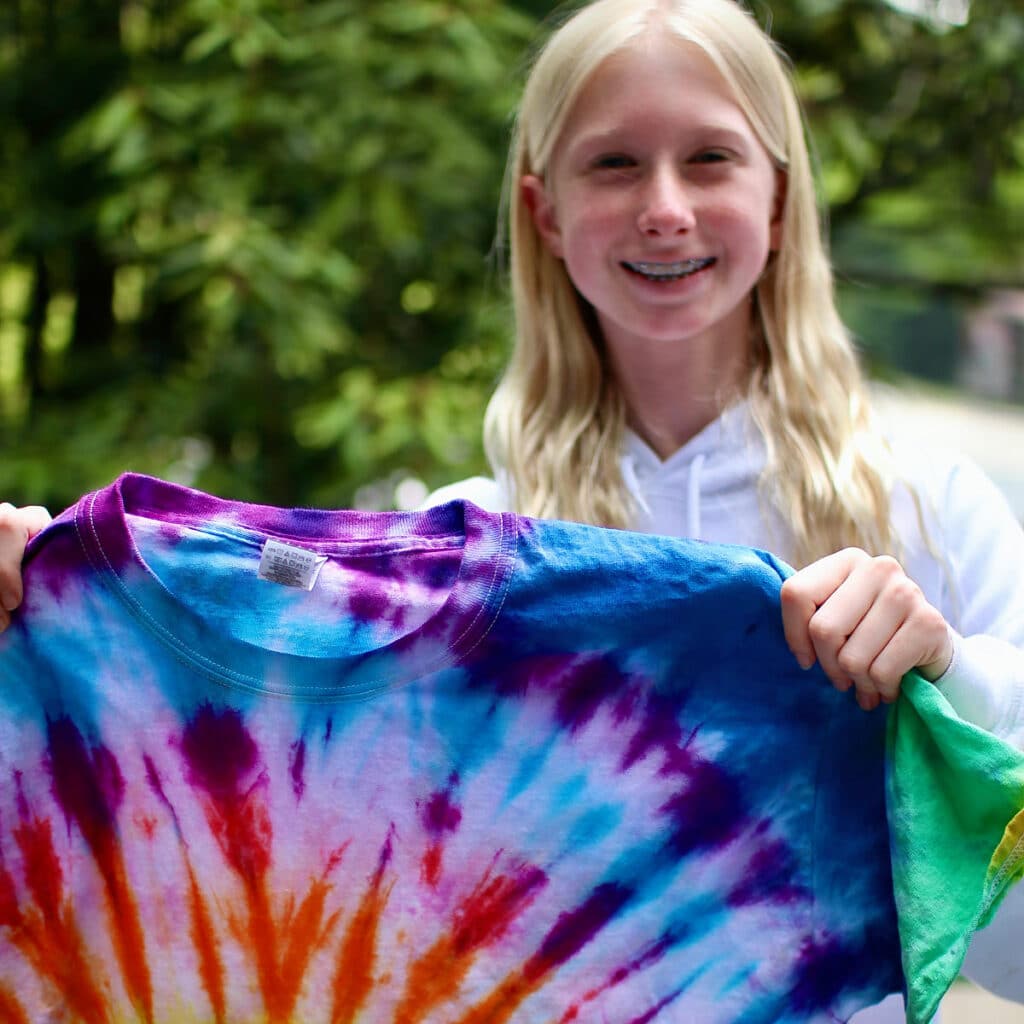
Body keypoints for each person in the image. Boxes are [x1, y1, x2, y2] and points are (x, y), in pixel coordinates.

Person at [1, 0, 1022, 1019]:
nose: (663, 205)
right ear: (542, 210)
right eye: (613, 164)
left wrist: (947, 680)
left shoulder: (926, 514)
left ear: (781, 193)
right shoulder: (455, 549)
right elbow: (281, 838)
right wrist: (49, 593)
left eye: (709, 158)